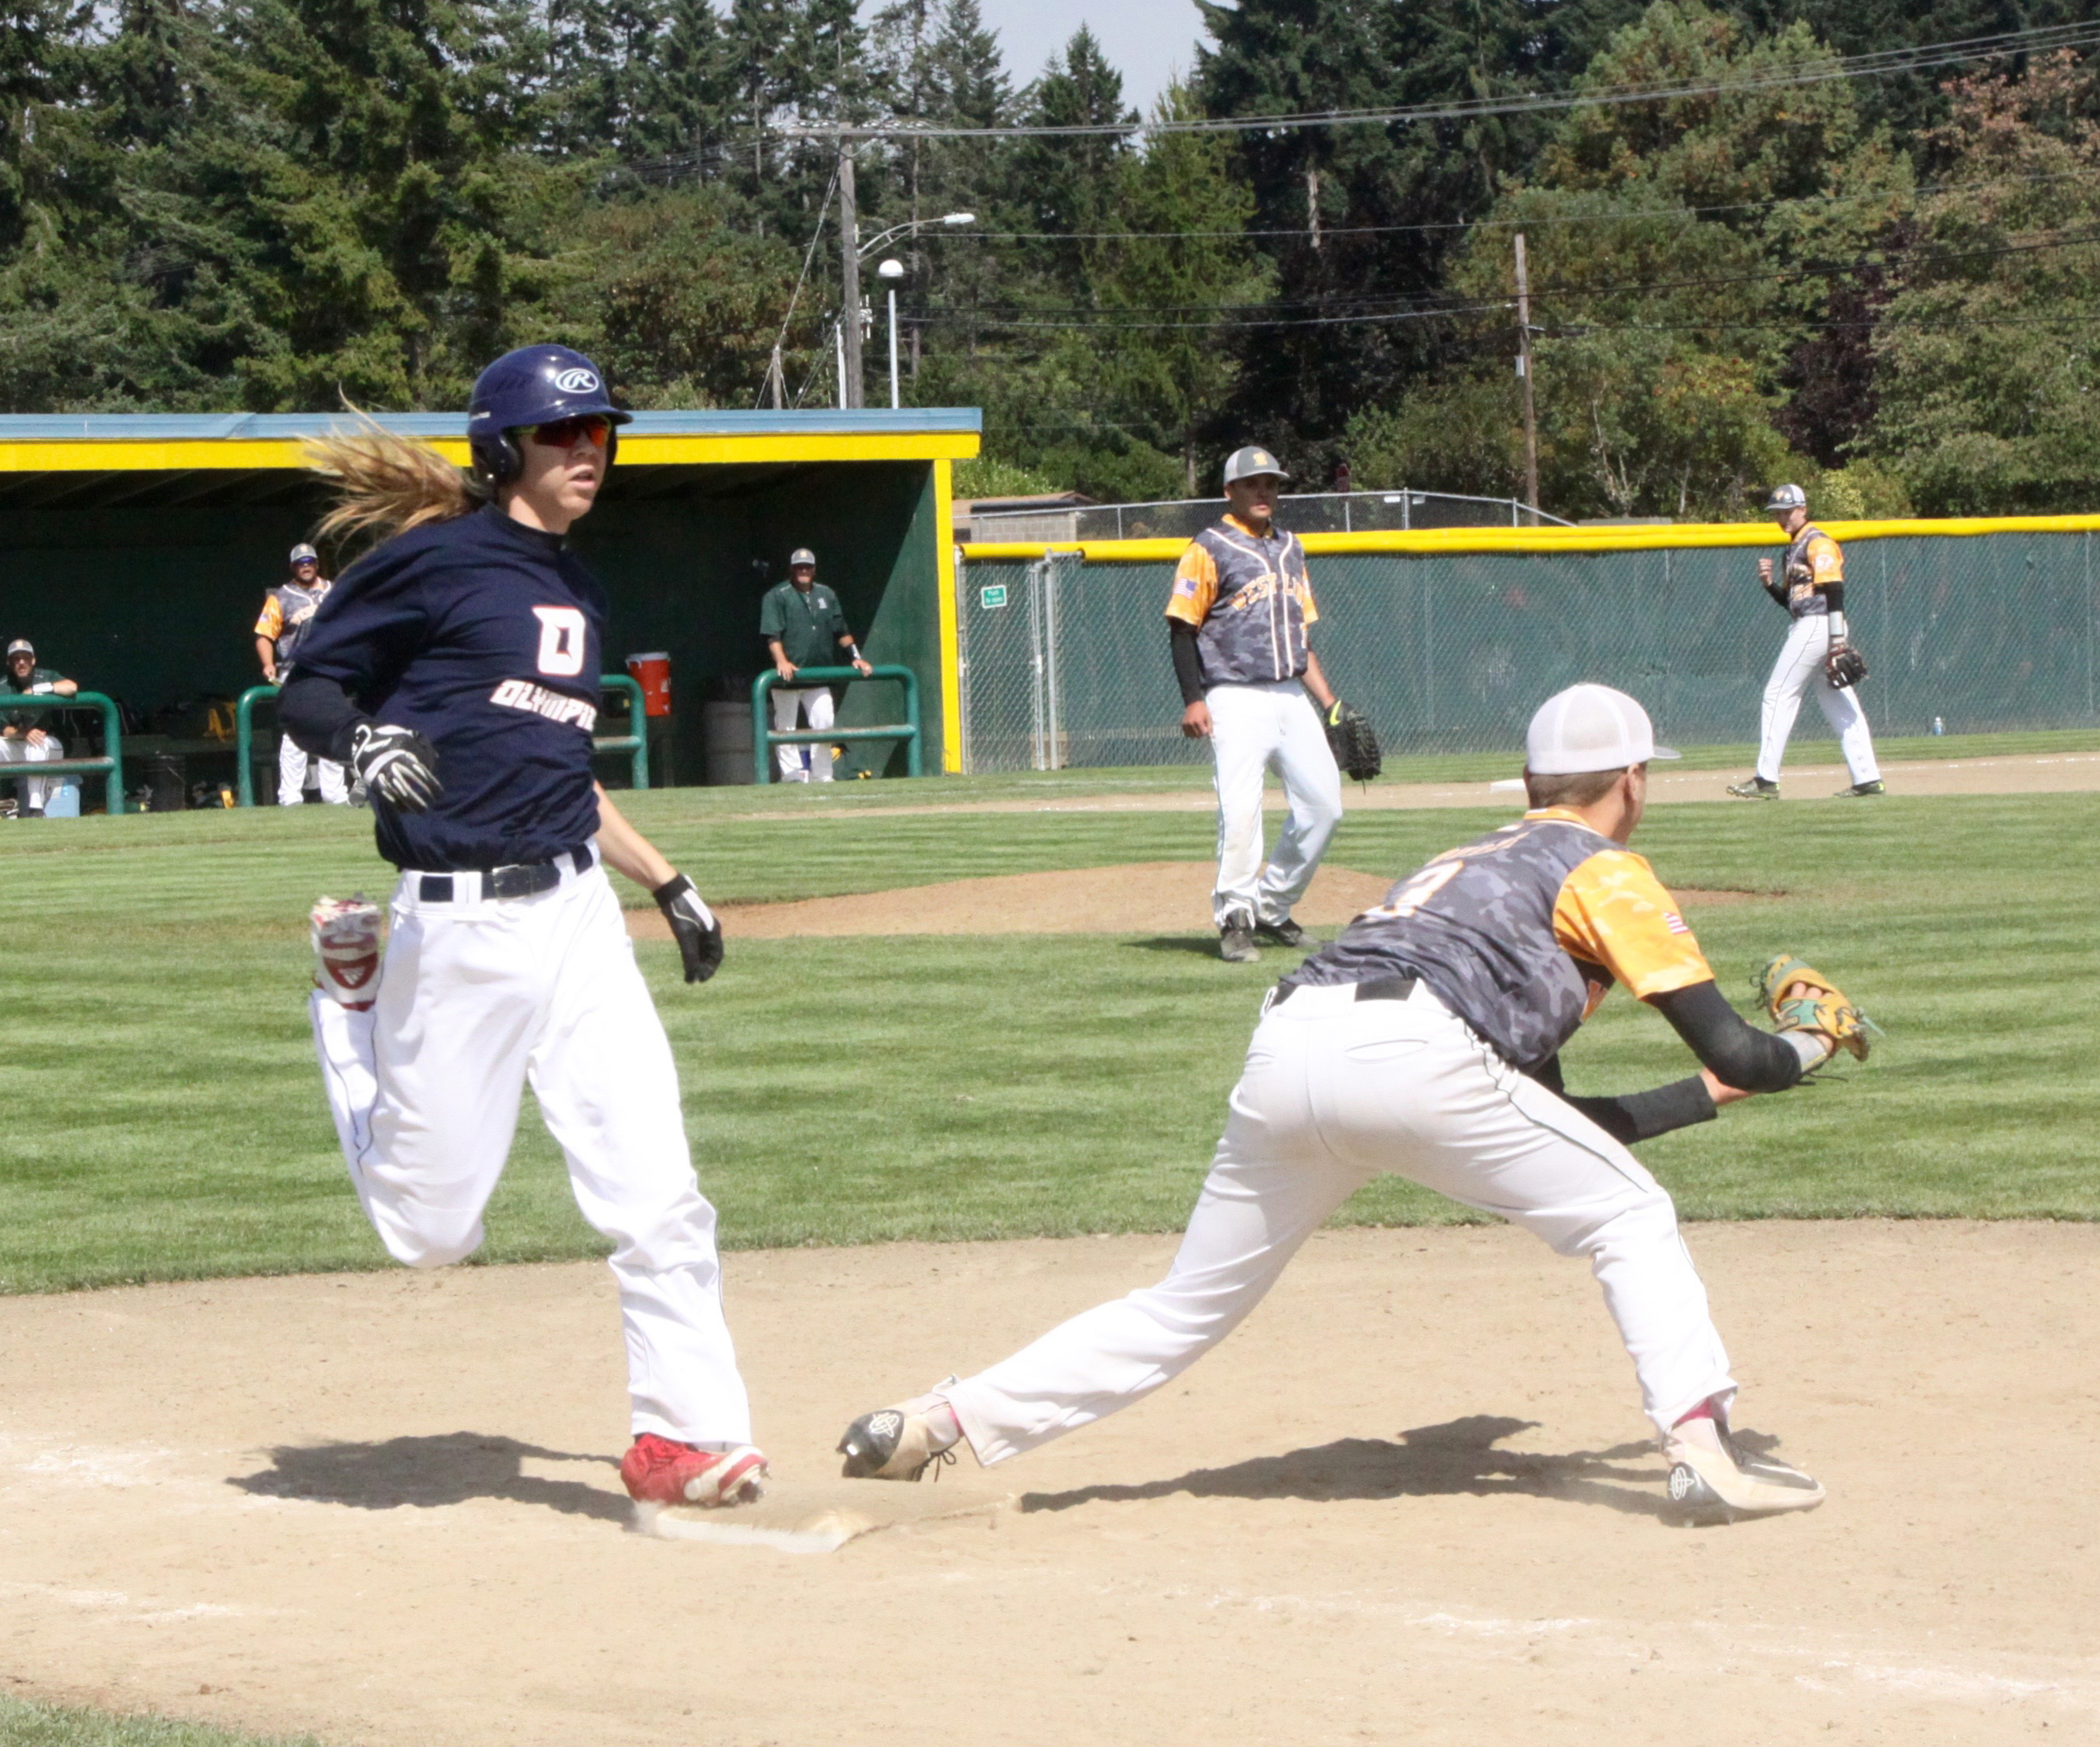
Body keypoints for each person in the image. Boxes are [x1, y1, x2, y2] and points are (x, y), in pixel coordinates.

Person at [838, 683, 1868, 1520]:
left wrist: (1709, 1093)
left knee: (1184, 1303)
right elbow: (1731, 1041)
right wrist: (1803, 1046)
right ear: (1633, 783)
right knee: (1633, 1214)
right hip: (1418, 1051)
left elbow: (1555, 1122)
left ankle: (934, 1420)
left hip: (1291, 1041)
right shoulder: (1604, 866)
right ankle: (1703, 1446)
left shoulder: (1464, 864)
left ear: (1531, 780)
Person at [277, 344, 768, 1511]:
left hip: (578, 916)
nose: (589, 450)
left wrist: (664, 878)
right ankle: (353, 1010)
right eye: (563, 433)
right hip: (455, 931)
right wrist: (360, 743)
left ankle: (682, 1439)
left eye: (601, 432)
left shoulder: (578, 589)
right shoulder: (433, 564)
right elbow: (305, 686)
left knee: (657, 1191)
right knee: (429, 1230)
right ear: (506, 450)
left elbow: (559, 770)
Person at [1166, 445, 1347, 963]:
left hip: (1291, 694)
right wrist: (1193, 700)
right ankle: (1234, 916)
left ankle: (1272, 904)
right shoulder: (1208, 547)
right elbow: (1182, 628)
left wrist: (1330, 704)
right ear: (1230, 492)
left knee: (1324, 806)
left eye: (1271, 482)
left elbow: (1301, 638)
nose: (1264, 491)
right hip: (1234, 696)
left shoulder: (1292, 548)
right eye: (1253, 484)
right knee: (1241, 811)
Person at [1727, 484, 1884, 801]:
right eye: (1777, 513)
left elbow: (1835, 590)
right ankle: (1867, 778)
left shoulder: (1818, 542)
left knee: (1778, 694)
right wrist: (1769, 585)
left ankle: (1766, 779)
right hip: (1812, 622)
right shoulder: (1794, 547)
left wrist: (1838, 641)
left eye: (1788, 511)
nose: (1783, 518)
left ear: (1804, 509)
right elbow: (1794, 603)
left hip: (1820, 625)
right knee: (1838, 701)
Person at [758, 547, 870, 782]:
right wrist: (783, 662)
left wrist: (856, 657)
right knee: (786, 727)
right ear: (792, 569)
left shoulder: (826, 594)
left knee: (824, 721)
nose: (804, 571)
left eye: (808, 566)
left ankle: (823, 775)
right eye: (799, 567)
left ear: (814, 569)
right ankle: (791, 777)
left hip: (819, 675)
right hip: (788, 676)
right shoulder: (777, 595)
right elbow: (772, 635)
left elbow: (842, 631)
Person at [254, 542, 350, 805]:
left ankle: (335, 793)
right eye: (300, 563)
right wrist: (268, 663)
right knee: (295, 732)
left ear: (317, 564)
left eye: (310, 562)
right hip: (295, 671)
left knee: (332, 728)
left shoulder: (334, 592)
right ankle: (290, 796)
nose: (306, 566)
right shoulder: (281, 597)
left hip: (330, 669)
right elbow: (264, 635)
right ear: (293, 567)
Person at [0, 638, 80, 817]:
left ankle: (36, 808)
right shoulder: (2, 686)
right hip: (20, 742)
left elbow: (71, 687)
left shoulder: (46, 676)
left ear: (33, 660)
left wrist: (38, 689)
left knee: (38, 743)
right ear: (10, 663)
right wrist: (24, 734)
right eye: (16, 659)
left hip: (50, 744)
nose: (21, 662)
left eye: (25, 658)